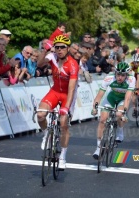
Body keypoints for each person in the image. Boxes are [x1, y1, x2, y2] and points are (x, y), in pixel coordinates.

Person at [37, 35, 79, 170]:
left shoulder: (73, 64)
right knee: (40, 115)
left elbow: (72, 89)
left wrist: (66, 108)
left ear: (68, 48)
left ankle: (63, 157)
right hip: (55, 91)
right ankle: (46, 136)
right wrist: (45, 51)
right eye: (57, 47)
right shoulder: (52, 57)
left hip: (68, 94)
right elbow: (39, 64)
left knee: (63, 124)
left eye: (62, 47)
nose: (59, 50)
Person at [91, 62, 135, 159]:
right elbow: (100, 94)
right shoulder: (109, 77)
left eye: (123, 75)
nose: (120, 77)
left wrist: (125, 112)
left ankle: (120, 130)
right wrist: (94, 107)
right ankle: (98, 148)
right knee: (102, 119)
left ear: (126, 75)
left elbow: (128, 98)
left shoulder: (131, 79)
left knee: (119, 114)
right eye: (118, 74)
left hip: (122, 99)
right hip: (111, 97)